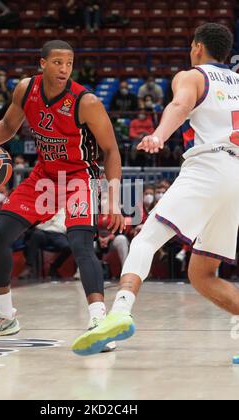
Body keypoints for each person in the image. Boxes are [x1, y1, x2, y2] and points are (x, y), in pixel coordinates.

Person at [72, 23, 239, 356]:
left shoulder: (192, 75)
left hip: (210, 167)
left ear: (197, 47)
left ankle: (119, 312)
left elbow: (179, 106)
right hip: (237, 177)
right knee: (202, 274)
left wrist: (159, 135)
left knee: (146, 239)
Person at [0, 40, 124, 344]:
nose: (64, 69)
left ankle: (98, 321)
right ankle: (4, 316)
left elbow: (111, 150)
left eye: (69, 63)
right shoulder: (26, 89)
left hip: (79, 176)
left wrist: (114, 200)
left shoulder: (85, 101)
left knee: (80, 243)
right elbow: (9, 126)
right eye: (57, 62)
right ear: (42, 63)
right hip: (45, 177)